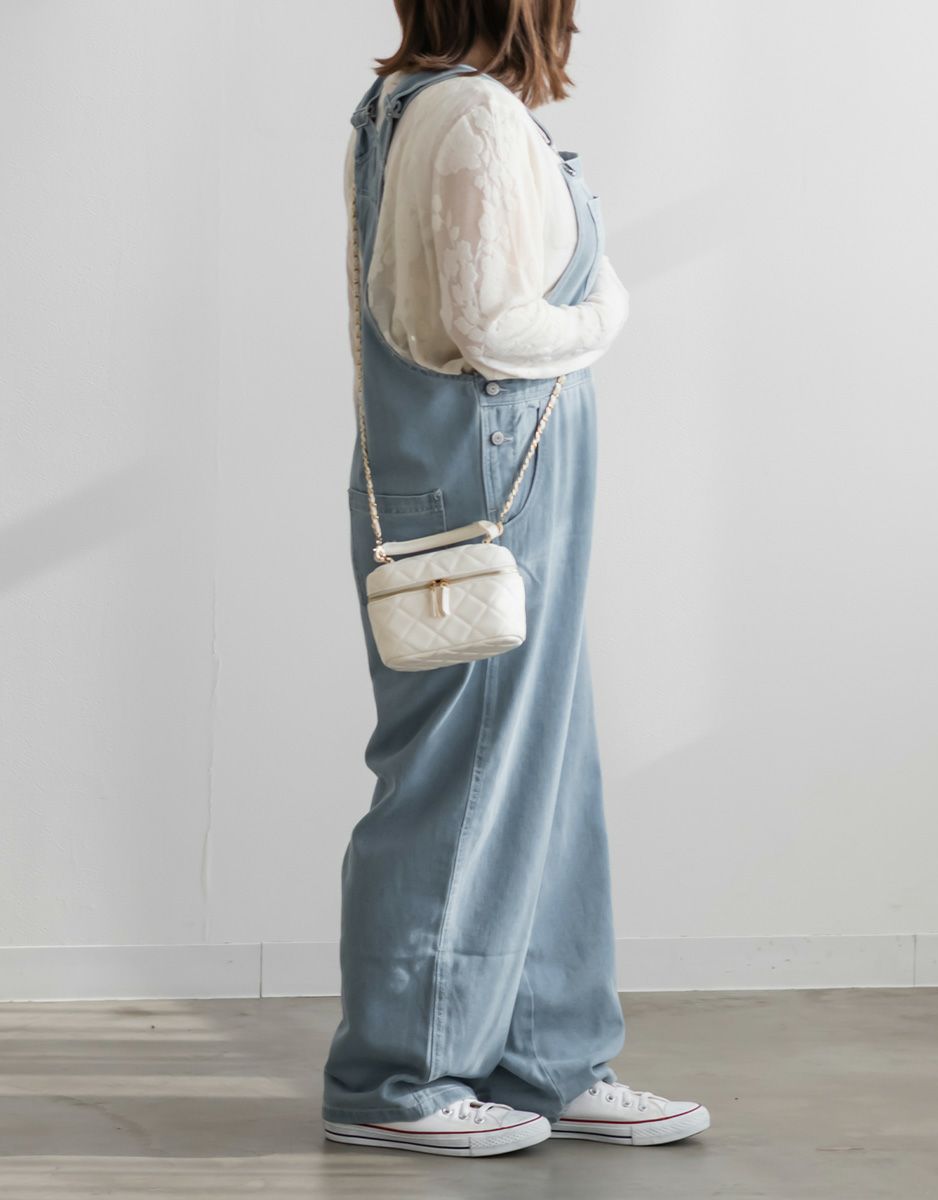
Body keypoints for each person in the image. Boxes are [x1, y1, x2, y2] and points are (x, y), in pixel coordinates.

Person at [322, 0, 710, 1158]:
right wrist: (604, 315)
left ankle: (547, 1056)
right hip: (490, 470)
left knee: (541, 768)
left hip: (478, 467)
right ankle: (399, 1079)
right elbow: (490, 326)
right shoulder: (473, 115)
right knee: (470, 772)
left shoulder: (394, 106)